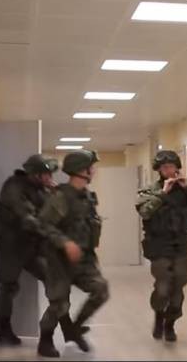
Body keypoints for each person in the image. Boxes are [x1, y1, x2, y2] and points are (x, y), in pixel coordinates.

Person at [0, 154, 73, 346]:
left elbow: (51, 214)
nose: (50, 177)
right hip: (11, 246)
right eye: (46, 174)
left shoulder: (41, 188)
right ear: (35, 174)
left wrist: (55, 194)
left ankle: (67, 325)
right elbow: (29, 219)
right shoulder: (13, 187)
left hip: (32, 246)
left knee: (55, 279)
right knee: (8, 287)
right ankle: (4, 331)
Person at [36, 150, 109, 358]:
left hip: (84, 259)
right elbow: (43, 225)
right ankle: (45, 340)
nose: (94, 170)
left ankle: (74, 330)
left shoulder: (87, 196)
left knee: (101, 289)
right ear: (81, 170)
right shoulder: (61, 196)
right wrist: (65, 242)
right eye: (91, 167)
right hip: (59, 260)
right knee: (59, 304)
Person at [136, 150, 187, 343]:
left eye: (171, 166)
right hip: (159, 246)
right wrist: (162, 193)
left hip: (181, 246)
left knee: (178, 286)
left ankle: (170, 323)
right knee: (163, 286)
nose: (168, 170)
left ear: (177, 167)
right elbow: (145, 212)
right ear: (158, 170)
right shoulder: (150, 190)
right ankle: (159, 316)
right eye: (164, 167)